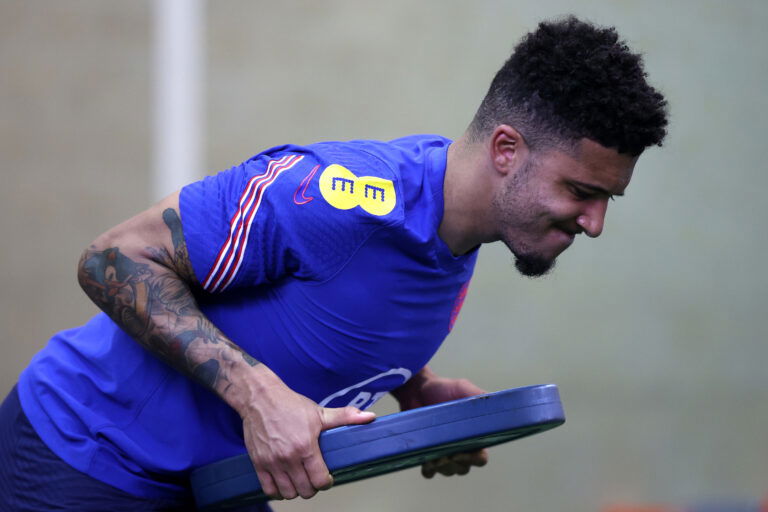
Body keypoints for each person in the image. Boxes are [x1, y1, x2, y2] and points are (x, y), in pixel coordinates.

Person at [0, 16, 668, 511]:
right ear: (505, 150)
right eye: (581, 192)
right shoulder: (337, 193)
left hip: (213, 485)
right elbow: (112, 257)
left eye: (606, 199)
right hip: (82, 451)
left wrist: (416, 389)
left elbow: (328, 302)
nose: (595, 223)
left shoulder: (459, 234)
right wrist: (259, 396)